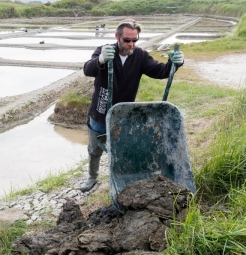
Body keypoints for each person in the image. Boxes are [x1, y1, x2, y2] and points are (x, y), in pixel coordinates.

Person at [79, 18, 184, 192]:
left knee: (122, 148)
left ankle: (120, 177)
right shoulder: (104, 50)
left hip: (124, 113)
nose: (131, 44)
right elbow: (88, 70)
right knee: (94, 149)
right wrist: (101, 60)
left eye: (135, 40)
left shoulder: (140, 55)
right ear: (117, 36)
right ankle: (92, 177)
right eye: (127, 40)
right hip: (101, 109)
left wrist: (175, 64)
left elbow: (160, 71)